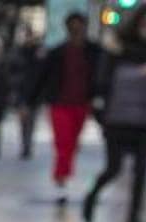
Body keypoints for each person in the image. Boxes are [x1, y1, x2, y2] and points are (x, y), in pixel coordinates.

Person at [82, 3, 146, 222]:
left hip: (145, 119)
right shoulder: (118, 47)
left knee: (142, 171)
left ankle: (134, 220)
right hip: (118, 118)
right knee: (114, 168)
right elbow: (103, 82)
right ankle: (92, 196)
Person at [30, 13, 100, 203]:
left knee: (72, 144)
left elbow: (100, 77)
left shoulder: (94, 52)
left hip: (81, 104)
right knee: (63, 143)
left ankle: (63, 175)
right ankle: (61, 180)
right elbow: (40, 78)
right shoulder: (56, 53)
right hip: (59, 104)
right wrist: (29, 102)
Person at [9, 25, 43, 160]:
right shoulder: (17, 52)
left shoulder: (38, 53)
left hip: (34, 94)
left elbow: (41, 73)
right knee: (23, 122)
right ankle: (25, 146)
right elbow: (10, 71)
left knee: (32, 122)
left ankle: (28, 146)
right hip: (21, 93)